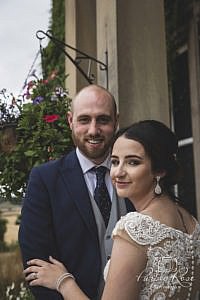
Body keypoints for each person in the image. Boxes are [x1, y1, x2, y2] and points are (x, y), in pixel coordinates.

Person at [23, 120, 200, 299]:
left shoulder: (135, 229)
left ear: (159, 170)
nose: (117, 172)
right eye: (115, 162)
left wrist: (63, 282)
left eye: (133, 162)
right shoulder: (190, 221)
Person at [18, 84, 134, 300]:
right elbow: (36, 267)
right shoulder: (45, 180)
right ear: (70, 120)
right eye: (84, 120)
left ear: (116, 121)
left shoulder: (137, 175)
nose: (93, 130)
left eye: (103, 119)